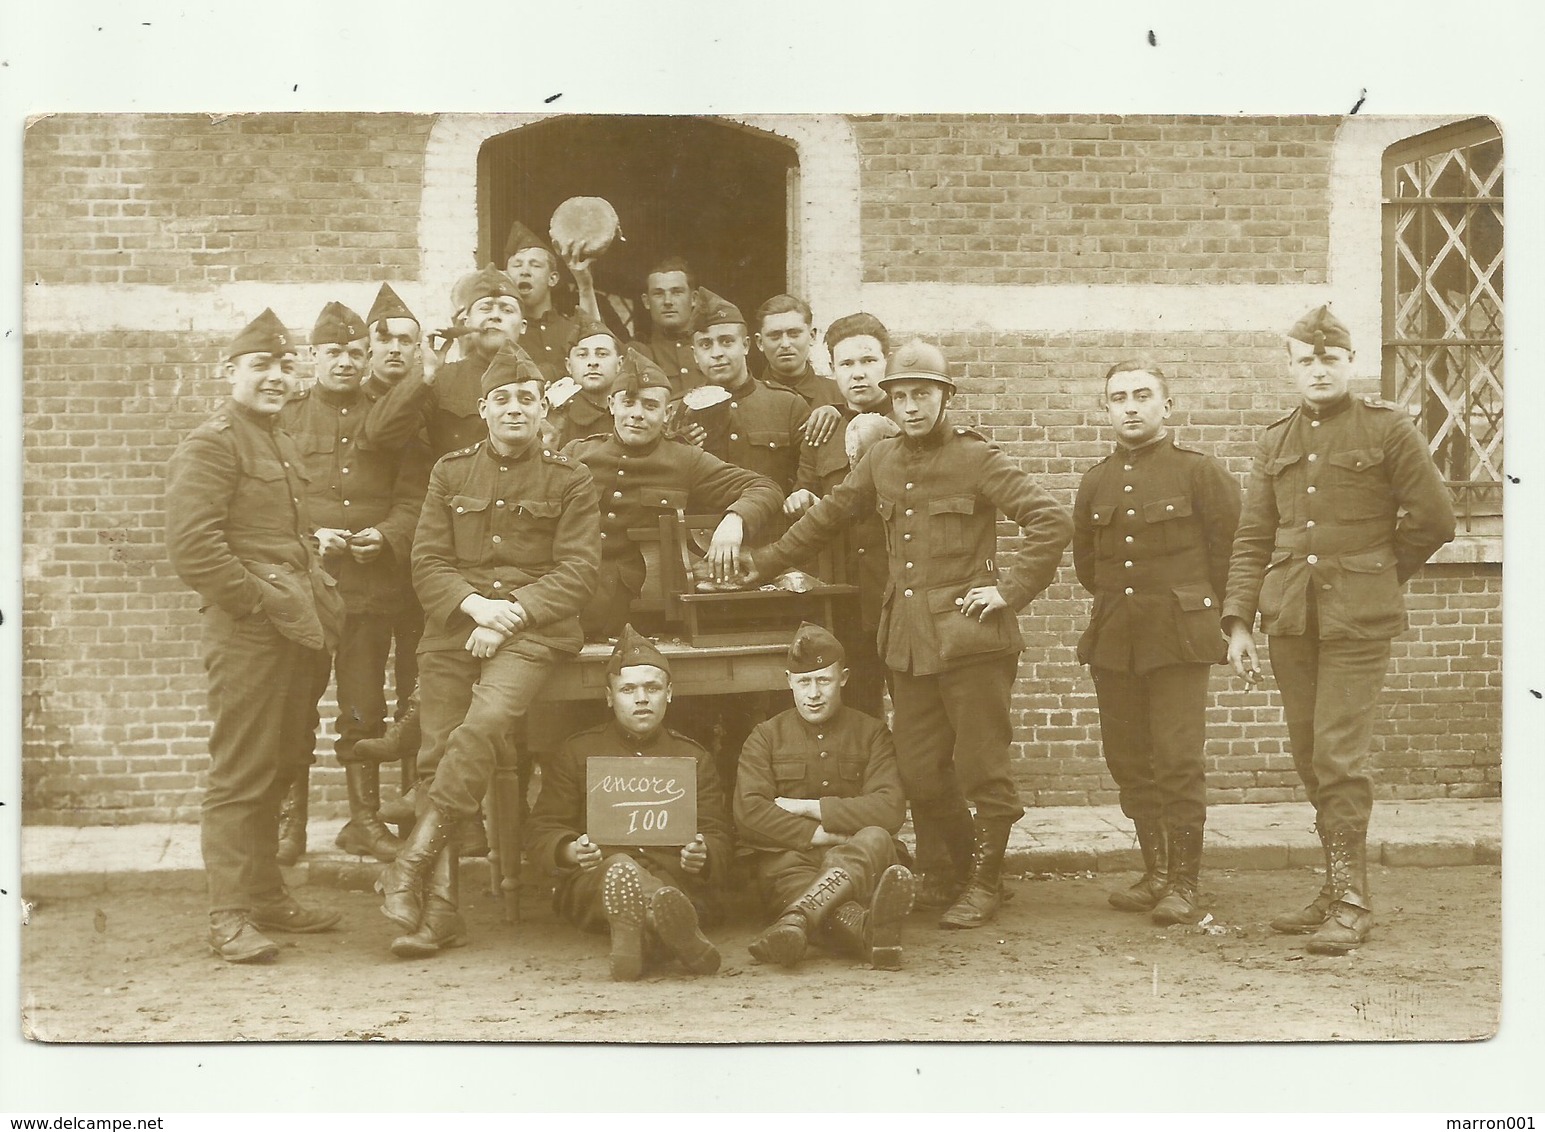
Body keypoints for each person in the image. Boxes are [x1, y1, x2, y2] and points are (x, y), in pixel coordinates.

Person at [743, 339, 1073, 930]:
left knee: (981, 769)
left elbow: (1050, 518)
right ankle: (947, 872)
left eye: (923, 395)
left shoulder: (977, 458)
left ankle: (986, 881)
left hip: (973, 643)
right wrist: (763, 562)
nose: (911, 407)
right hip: (909, 645)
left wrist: (1010, 590)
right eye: (901, 397)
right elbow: (828, 515)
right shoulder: (883, 460)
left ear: (945, 398)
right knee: (920, 771)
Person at [1223, 304, 1455, 954]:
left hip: (1357, 622)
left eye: (1328, 359)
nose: (1316, 370)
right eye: (1304, 360)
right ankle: (1333, 885)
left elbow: (1434, 520)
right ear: (1292, 368)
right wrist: (1239, 620)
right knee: (1308, 756)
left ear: (1348, 363)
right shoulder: (1274, 441)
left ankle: (1352, 902)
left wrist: (1375, 574)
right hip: (1291, 619)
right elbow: (1252, 537)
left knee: (1336, 756)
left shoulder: (1386, 429)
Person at [377, 344, 601, 958]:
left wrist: (511, 615)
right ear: (482, 409)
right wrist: (478, 608)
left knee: (482, 727)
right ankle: (442, 913)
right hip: (457, 627)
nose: (514, 408)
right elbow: (427, 561)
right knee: (435, 757)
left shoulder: (569, 476)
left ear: (542, 409)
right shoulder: (450, 472)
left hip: (534, 631)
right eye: (501, 399)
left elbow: (579, 571)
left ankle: (409, 865)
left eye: (526, 398)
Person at [165, 308, 344, 963]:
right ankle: (229, 914)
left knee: (284, 761)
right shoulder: (213, 442)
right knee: (240, 771)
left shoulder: (276, 436)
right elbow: (195, 551)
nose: (275, 376)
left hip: (296, 623)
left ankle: (267, 895)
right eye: (260, 365)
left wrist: (306, 563)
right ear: (230, 372)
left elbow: (274, 531)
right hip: (251, 631)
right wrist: (259, 603)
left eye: (283, 364)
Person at [1072, 360, 1241, 924]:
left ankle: (1186, 883)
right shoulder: (1095, 481)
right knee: (1128, 760)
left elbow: (1232, 555)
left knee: (1176, 760)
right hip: (1115, 639)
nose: (1131, 407)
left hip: (1177, 641)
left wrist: (1211, 617)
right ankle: (1156, 872)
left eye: (1143, 396)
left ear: (1167, 407)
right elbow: (1086, 565)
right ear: (1106, 410)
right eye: (1118, 398)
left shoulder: (1199, 473)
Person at [274, 301, 429, 865]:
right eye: (333, 352)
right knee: (294, 703)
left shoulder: (393, 416)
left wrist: (386, 535)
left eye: (355, 353)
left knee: (364, 706)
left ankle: (364, 821)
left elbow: (417, 496)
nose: (345, 362)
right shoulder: (286, 416)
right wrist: (312, 534)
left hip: (370, 587)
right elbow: (270, 500)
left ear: (367, 359)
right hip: (304, 589)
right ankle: (289, 824)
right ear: (314, 356)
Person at [526, 625, 731, 981]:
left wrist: (704, 853)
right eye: (628, 689)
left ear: (670, 693)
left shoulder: (693, 757)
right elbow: (542, 830)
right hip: (596, 882)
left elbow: (720, 834)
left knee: (669, 893)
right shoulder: (577, 752)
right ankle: (671, 930)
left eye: (652, 688)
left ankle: (636, 942)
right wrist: (571, 850)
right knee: (618, 867)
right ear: (609, 696)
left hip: (675, 879)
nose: (641, 698)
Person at [561, 349, 784, 641]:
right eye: (628, 403)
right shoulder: (576, 454)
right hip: (571, 599)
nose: (637, 414)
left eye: (650, 406)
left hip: (640, 609)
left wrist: (735, 520)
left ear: (666, 414)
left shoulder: (686, 460)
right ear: (611, 405)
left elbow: (766, 488)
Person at [735, 623, 915, 970]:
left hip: (860, 862)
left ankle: (797, 920)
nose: (813, 693)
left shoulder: (872, 733)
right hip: (790, 863)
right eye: (804, 682)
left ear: (843, 678)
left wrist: (808, 807)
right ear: (789, 680)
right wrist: (822, 834)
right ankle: (868, 932)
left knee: (877, 837)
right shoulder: (766, 737)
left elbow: (890, 808)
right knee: (822, 896)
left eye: (824, 680)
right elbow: (749, 813)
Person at [783, 312, 897, 717]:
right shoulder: (822, 429)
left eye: (868, 361)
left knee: (918, 713)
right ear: (831, 368)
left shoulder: (910, 424)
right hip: (843, 592)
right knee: (855, 708)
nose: (859, 374)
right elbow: (805, 485)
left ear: (887, 362)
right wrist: (800, 498)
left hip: (897, 591)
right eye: (846, 364)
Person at [689, 291, 810, 495]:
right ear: (694, 354)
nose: (717, 353)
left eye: (726, 341)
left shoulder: (788, 405)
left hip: (772, 523)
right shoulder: (681, 412)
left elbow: (809, 478)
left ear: (745, 345)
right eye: (706, 344)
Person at [753, 293, 843, 450]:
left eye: (794, 333)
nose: (786, 344)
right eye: (775, 336)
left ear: (812, 336)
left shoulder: (840, 396)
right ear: (760, 342)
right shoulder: (748, 400)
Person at [505, 220, 577, 382]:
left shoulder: (573, 329)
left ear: (552, 279)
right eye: (517, 265)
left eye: (535, 265)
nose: (524, 272)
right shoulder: (504, 336)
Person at [629, 256, 707, 397]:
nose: (668, 301)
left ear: (694, 299)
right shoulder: (639, 353)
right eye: (658, 294)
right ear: (646, 302)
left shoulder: (711, 347)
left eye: (677, 292)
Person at [547, 316, 623, 450]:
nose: (592, 362)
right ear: (568, 366)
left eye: (602, 354)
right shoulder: (556, 417)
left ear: (620, 364)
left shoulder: (629, 413)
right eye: (582, 355)